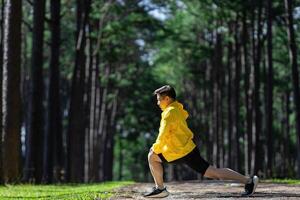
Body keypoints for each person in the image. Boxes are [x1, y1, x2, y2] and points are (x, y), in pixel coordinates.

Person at [144, 85, 259, 198]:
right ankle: (249, 180)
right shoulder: (177, 109)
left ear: (167, 99)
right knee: (214, 173)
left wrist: (155, 147)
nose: (158, 103)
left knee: (152, 155)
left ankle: (160, 189)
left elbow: (163, 134)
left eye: (159, 100)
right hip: (187, 149)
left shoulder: (169, 112)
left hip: (179, 150)